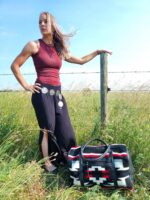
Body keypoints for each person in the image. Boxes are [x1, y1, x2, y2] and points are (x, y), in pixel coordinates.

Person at [11, 11, 112, 173]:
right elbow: (15, 65)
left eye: (45, 21)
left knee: (66, 130)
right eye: (40, 22)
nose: (42, 25)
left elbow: (80, 61)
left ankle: (66, 157)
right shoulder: (34, 45)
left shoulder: (59, 49)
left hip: (57, 94)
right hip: (41, 93)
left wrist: (98, 51)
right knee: (47, 128)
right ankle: (47, 163)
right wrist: (26, 85)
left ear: (53, 24)